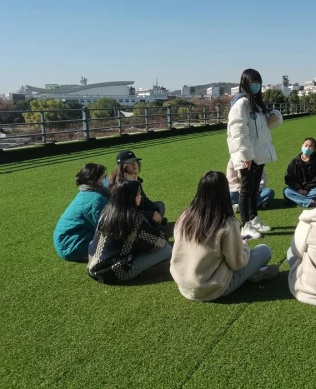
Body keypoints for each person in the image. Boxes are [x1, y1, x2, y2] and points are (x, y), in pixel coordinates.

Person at [170, 171, 279, 301]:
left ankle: (254, 274)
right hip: (213, 288)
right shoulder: (227, 223)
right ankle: (254, 274)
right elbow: (237, 264)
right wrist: (244, 247)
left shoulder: (184, 216)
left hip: (184, 285)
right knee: (264, 250)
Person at [227, 69, 282, 240]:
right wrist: (246, 156)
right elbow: (238, 133)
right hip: (248, 156)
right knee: (245, 190)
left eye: (258, 82)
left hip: (258, 154)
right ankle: (245, 225)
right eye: (253, 82)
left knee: (254, 189)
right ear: (245, 83)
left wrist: (273, 117)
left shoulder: (255, 104)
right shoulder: (241, 104)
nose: (256, 85)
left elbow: (262, 129)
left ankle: (253, 219)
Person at [87, 178, 172, 284]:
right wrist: (158, 228)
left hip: (93, 266)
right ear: (131, 197)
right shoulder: (133, 220)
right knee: (167, 249)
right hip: (113, 272)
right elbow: (159, 243)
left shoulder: (107, 211)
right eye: (139, 194)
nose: (141, 196)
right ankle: (146, 270)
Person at [53, 163, 110, 262]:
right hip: (72, 245)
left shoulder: (89, 194)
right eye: (103, 177)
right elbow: (107, 228)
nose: (107, 180)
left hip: (67, 242)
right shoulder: (95, 200)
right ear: (94, 181)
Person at [109, 150, 166, 226]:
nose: (134, 165)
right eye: (130, 163)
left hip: (136, 210)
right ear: (123, 166)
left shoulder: (133, 177)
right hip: (128, 215)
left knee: (159, 206)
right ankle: (153, 226)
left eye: (135, 161)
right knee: (159, 207)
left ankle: (155, 223)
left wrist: (154, 209)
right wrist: (151, 213)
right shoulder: (124, 184)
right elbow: (129, 209)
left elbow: (143, 199)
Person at [283, 137, 316, 208]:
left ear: (314, 149)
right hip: (296, 190)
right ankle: (310, 202)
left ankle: (297, 199)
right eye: (306, 145)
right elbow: (289, 178)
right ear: (302, 145)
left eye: (311, 146)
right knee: (286, 191)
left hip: (311, 190)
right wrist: (298, 188)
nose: (308, 148)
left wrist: (307, 188)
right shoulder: (294, 162)